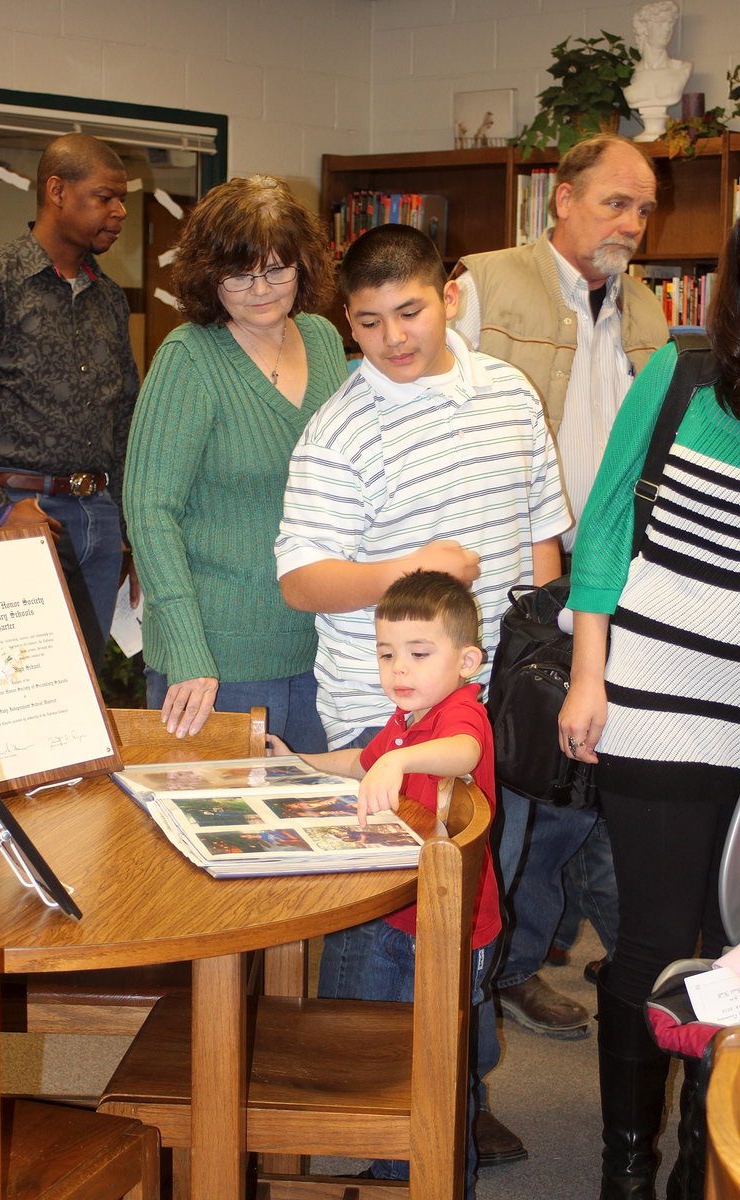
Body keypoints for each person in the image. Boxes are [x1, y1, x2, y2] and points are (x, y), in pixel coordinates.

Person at [275, 222, 570, 1187]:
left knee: (476, 915)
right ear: (346, 324)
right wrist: (413, 567)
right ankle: (371, 1129)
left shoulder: (510, 394)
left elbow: (539, 547)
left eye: (410, 310)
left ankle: (458, 1098)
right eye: (367, 322)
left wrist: (541, 664)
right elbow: (304, 581)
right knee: (384, 930)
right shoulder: (340, 427)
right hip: (387, 710)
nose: (393, 338)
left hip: (497, 714)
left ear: (450, 291)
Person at [451, 133, 669, 1051]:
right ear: (561, 202)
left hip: (615, 579)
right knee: (522, 793)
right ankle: (490, 981)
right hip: (520, 581)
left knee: (584, 789)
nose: (632, 222)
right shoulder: (486, 284)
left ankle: (525, 960)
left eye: (644, 207)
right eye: (616, 202)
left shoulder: (648, 304)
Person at [558, 217, 740, 1200]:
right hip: (658, 701)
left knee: (731, 959)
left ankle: (699, 1165)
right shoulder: (677, 375)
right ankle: (624, 1170)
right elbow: (603, 523)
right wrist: (588, 675)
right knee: (655, 940)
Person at [268, 568, 500, 1186]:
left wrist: (397, 758)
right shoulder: (407, 717)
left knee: (429, 1065)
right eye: (387, 653)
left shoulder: (461, 713)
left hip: (446, 924)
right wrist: (298, 763)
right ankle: (397, 1168)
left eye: (420, 654)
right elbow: (358, 761)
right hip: (405, 909)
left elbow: (465, 756)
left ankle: (434, 1178)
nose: (400, 669)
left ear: (467, 660)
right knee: (392, 1049)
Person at [125, 174, 347, 749]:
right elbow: (150, 512)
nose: (261, 289)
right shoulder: (189, 359)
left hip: (320, 644)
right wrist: (188, 649)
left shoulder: (323, 340)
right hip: (216, 657)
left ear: (304, 265)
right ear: (208, 274)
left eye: (277, 269)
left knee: (312, 827)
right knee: (221, 830)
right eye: (239, 274)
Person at [0, 133, 138, 670]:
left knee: (87, 688)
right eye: (105, 197)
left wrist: (130, 529)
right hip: (19, 514)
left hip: (99, 518)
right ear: (56, 190)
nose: (119, 211)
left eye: (122, 198)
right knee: (21, 688)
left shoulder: (109, 298)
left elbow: (125, 419)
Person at [624, 0, 692, 140]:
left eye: (670, 24)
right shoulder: (630, 74)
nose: (667, 29)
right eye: (660, 23)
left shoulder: (682, 69)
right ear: (644, 29)